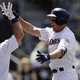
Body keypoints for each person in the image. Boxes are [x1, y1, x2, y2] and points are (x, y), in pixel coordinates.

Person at [7, 4, 78, 80]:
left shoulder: (67, 35)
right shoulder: (50, 32)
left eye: (53, 19)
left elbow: (61, 51)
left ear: (60, 20)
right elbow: (31, 29)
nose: (51, 21)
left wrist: (48, 56)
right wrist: (16, 18)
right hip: (56, 74)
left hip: (67, 73)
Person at [0, 2, 24, 80]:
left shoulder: (2, 49)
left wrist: (12, 17)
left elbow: (19, 35)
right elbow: (19, 35)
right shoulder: (2, 48)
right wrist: (12, 17)